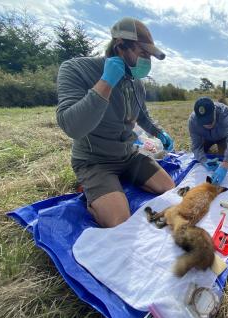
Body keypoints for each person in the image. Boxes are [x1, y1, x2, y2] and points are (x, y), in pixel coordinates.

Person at [56, 17, 175, 228]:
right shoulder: (75, 69)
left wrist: (159, 132)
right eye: (143, 54)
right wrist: (106, 82)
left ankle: (117, 185)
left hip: (128, 155)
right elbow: (71, 126)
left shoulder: (136, 83)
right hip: (95, 160)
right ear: (120, 46)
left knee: (169, 188)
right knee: (118, 222)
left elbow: (142, 116)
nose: (147, 61)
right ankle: (96, 194)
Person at [188, 97, 228, 185]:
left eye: (209, 120)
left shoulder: (226, 113)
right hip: (205, 138)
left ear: (215, 111)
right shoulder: (193, 121)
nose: (207, 124)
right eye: (203, 122)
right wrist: (204, 161)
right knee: (199, 157)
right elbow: (196, 146)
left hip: (223, 138)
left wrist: (225, 164)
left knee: (226, 156)